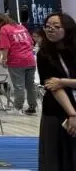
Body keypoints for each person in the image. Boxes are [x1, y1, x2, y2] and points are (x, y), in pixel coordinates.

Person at [38, 12, 76, 171]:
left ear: (67, 29)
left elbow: (58, 83)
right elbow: (52, 86)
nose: (50, 29)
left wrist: (63, 81)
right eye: (47, 26)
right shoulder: (44, 54)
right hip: (56, 110)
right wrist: (72, 114)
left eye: (56, 26)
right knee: (54, 158)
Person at [0, 12, 38, 115]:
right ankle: (32, 107)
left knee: (18, 86)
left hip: (16, 61)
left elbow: (6, 47)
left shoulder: (4, 29)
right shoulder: (21, 27)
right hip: (30, 60)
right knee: (30, 86)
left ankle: (17, 108)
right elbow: (31, 43)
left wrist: (3, 60)